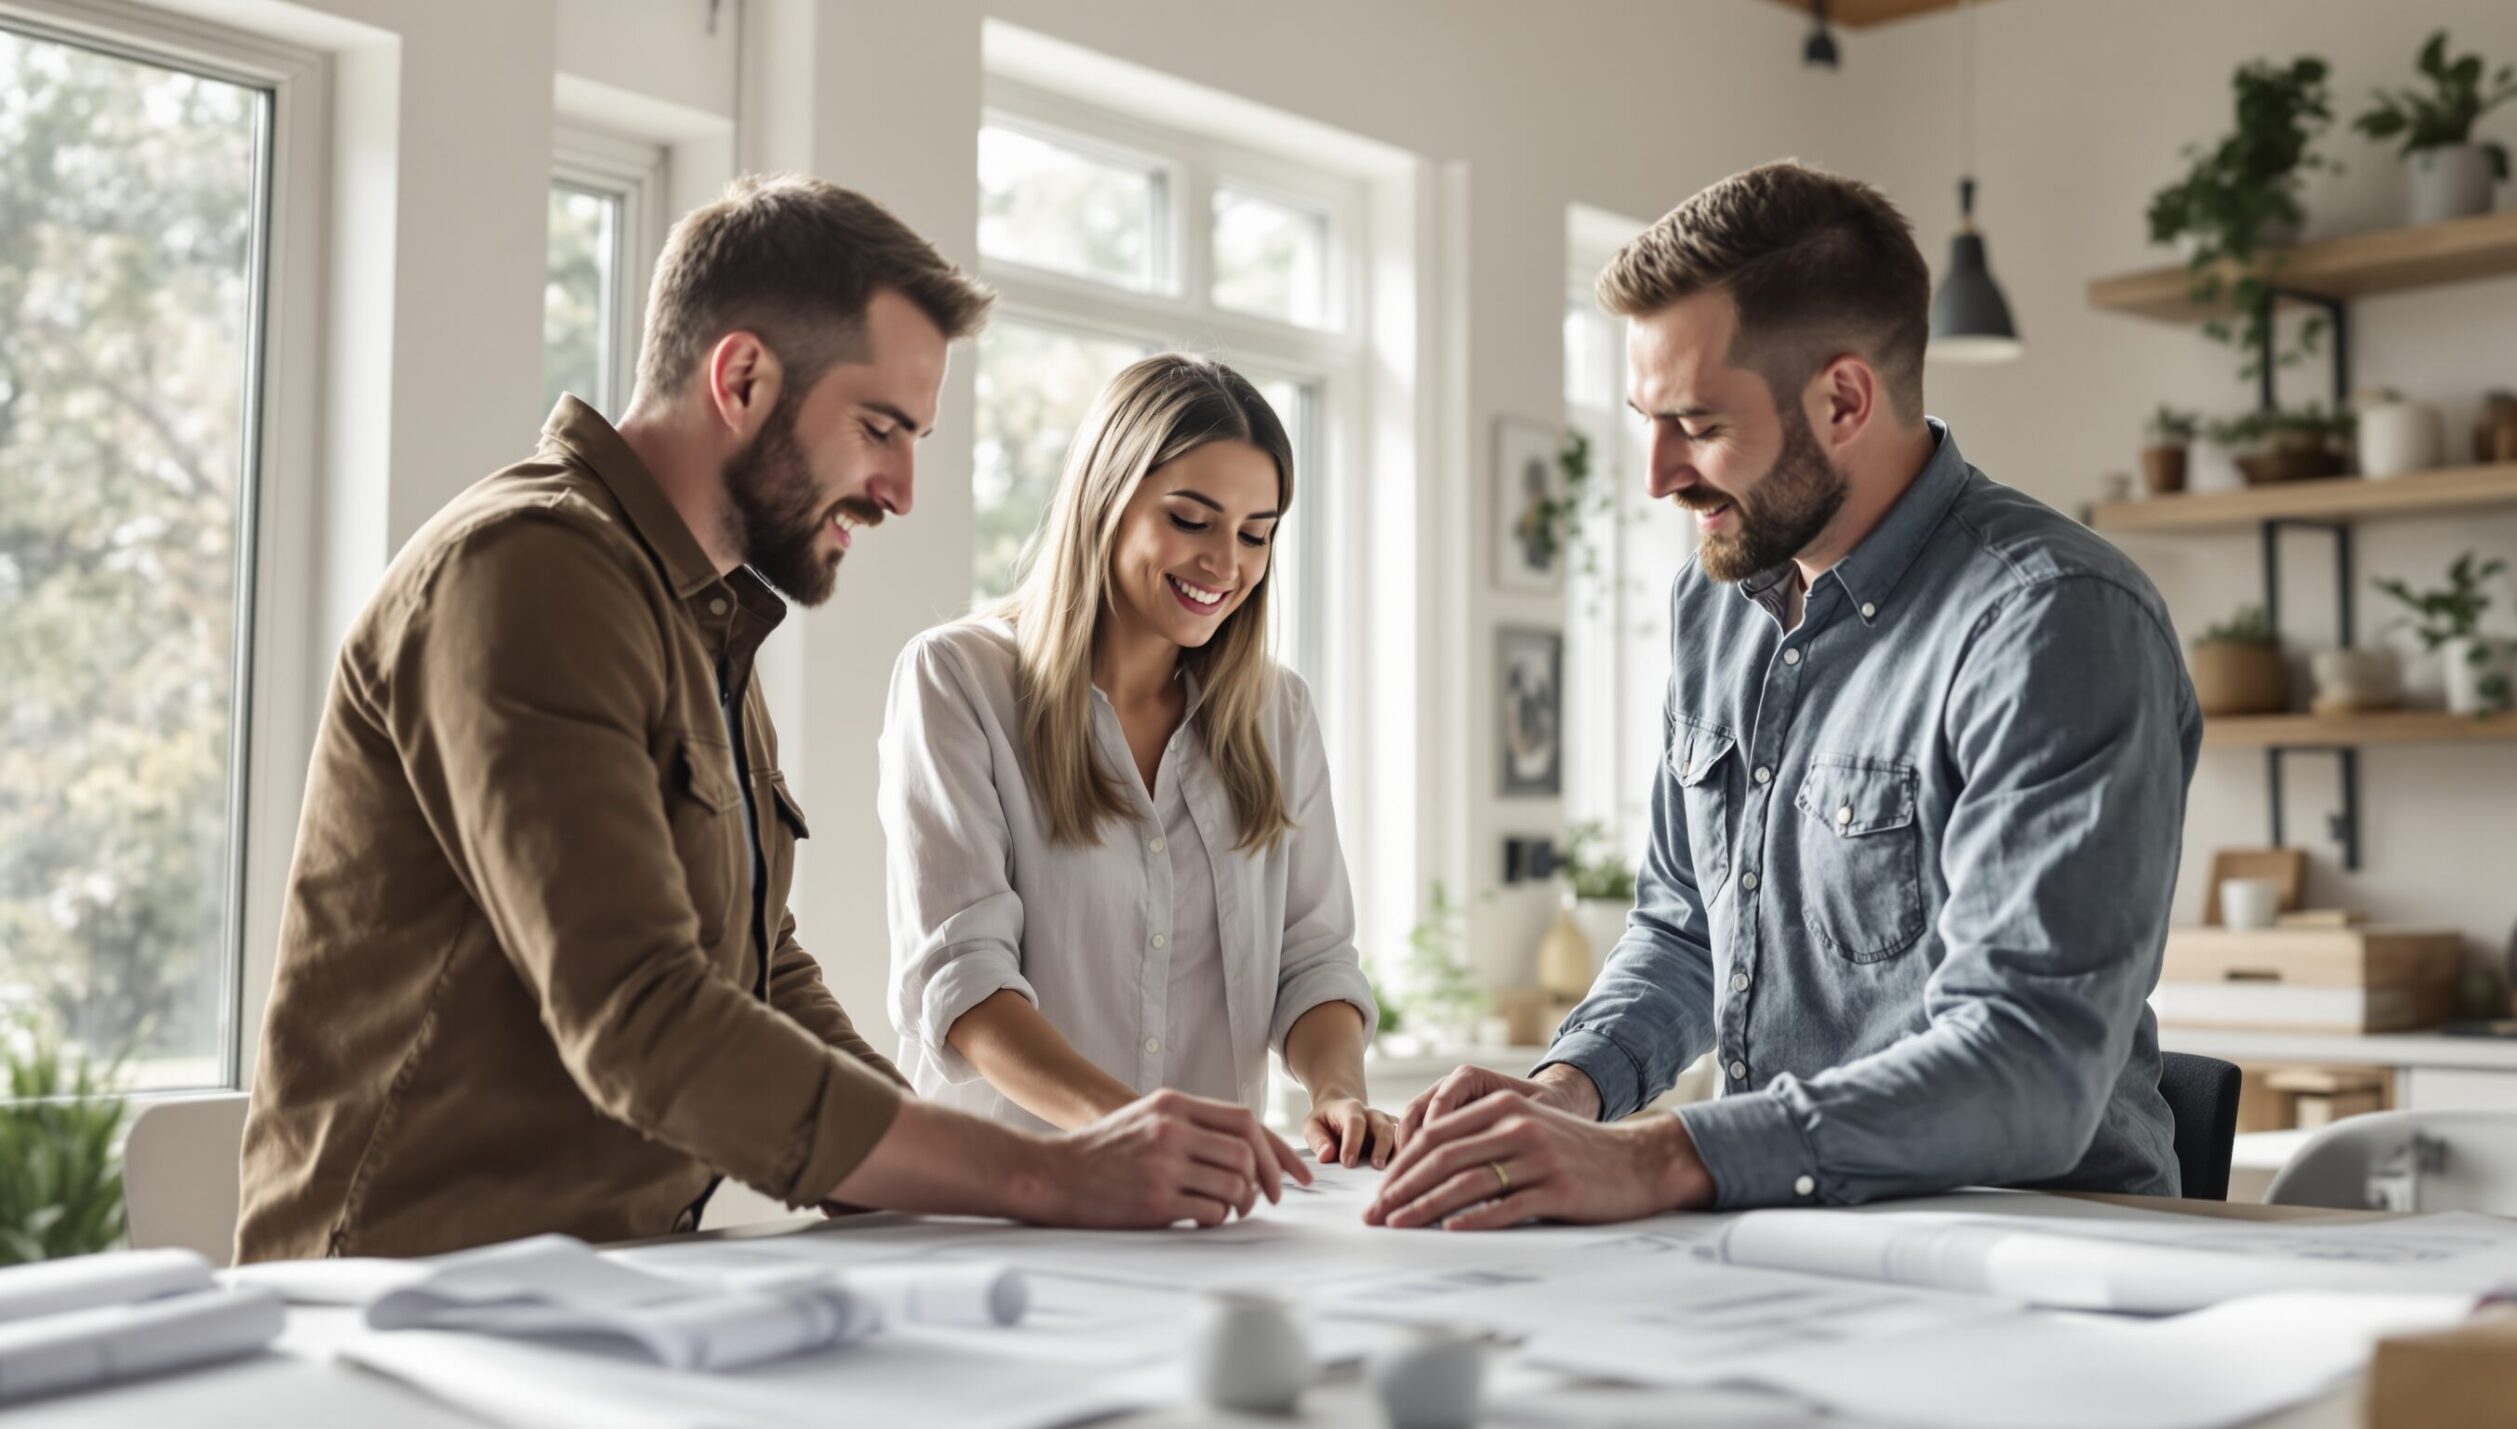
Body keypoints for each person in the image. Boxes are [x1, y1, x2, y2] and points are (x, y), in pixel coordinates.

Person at [235, 176, 1299, 1264]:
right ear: (741, 377)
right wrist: (1047, 1173)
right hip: (401, 1302)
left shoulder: (699, 617)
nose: (900, 489)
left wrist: (939, 1186)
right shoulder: (527, 573)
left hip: (608, 1279)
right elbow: (644, 1020)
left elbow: (761, 970)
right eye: (880, 427)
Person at [1371, 160, 2200, 1231]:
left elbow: (2027, 1067)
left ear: (1843, 398)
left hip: (2039, 1248)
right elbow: (1686, 926)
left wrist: (1660, 1154)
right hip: (1778, 1237)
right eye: (1647, 420)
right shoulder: (1714, 601)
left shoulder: (2055, 622)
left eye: (1699, 424)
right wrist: (1566, 1092)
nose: (1658, 476)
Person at [881, 353, 1393, 1170]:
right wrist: (1141, 1130)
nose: (1227, 564)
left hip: (1205, 1214)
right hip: (1002, 1200)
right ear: (1107, 499)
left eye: (1255, 534)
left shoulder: (1277, 712)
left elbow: (1314, 957)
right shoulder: (959, 679)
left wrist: (1338, 1091)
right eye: (1191, 520)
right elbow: (964, 979)